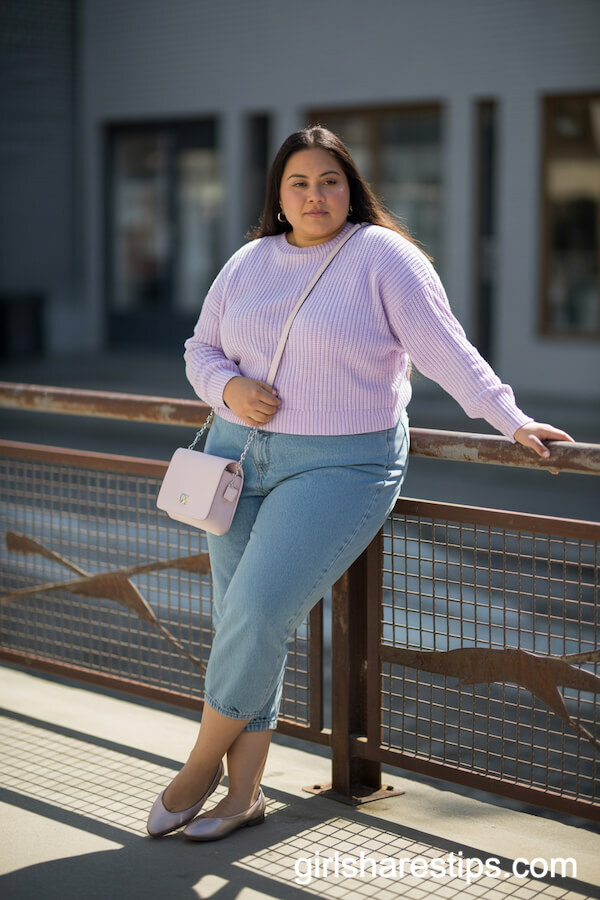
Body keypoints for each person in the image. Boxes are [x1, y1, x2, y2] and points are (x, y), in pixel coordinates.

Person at [146, 125, 573, 842]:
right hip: (238, 457)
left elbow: (447, 349)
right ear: (279, 197)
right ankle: (244, 794)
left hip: (343, 463)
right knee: (244, 623)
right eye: (299, 183)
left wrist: (510, 419)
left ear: (352, 188)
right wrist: (227, 389)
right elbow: (200, 347)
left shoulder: (383, 257)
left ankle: (199, 764)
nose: (316, 195)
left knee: (254, 613)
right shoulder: (249, 260)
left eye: (330, 181)